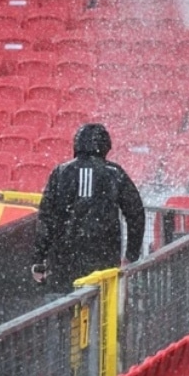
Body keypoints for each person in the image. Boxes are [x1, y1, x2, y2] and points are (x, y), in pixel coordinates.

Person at [30, 123, 145, 293]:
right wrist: (131, 255)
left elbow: (46, 219)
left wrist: (39, 259)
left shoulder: (61, 172)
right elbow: (136, 214)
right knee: (102, 306)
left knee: (66, 306)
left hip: (65, 257)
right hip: (104, 255)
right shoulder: (114, 172)